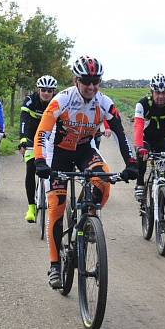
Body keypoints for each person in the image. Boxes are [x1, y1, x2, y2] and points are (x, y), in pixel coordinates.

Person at [33, 55, 138, 288]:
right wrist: (40, 161)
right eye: (86, 81)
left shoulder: (104, 103)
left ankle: (87, 215)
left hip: (83, 150)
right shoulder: (61, 100)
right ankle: (54, 264)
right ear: (75, 80)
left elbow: (122, 134)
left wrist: (131, 162)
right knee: (57, 205)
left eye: (96, 81)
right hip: (57, 153)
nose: (91, 86)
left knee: (103, 178)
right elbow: (42, 132)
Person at [19, 75, 58, 223]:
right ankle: (31, 207)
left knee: (55, 168)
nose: (46, 93)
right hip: (31, 136)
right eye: (43, 90)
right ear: (38, 89)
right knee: (30, 169)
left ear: (53, 91)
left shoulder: (57, 102)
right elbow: (23, 120)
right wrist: (23, 139)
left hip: (49, 137)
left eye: (49, 90)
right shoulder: (30, 101)